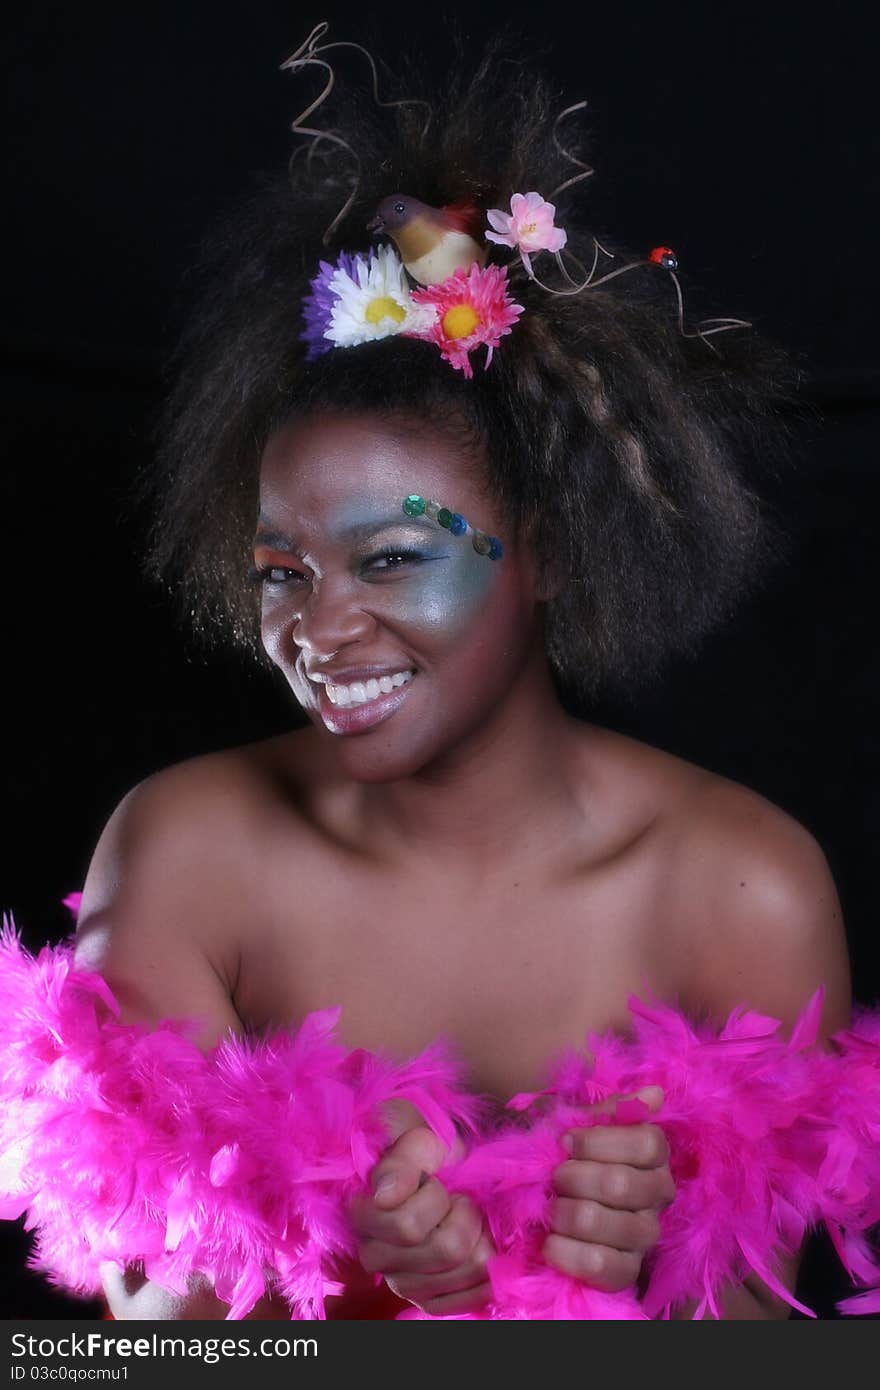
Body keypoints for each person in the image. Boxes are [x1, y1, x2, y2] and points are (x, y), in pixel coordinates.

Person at [66, 31, 852, 1320]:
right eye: (281, 570)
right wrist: (332, 1272)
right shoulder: (185, 856)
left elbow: (766, 1343)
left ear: (545, 553)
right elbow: (140, 1353)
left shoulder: (743, 892)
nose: (317, 629)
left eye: (388, 559)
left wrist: (627, 1300)